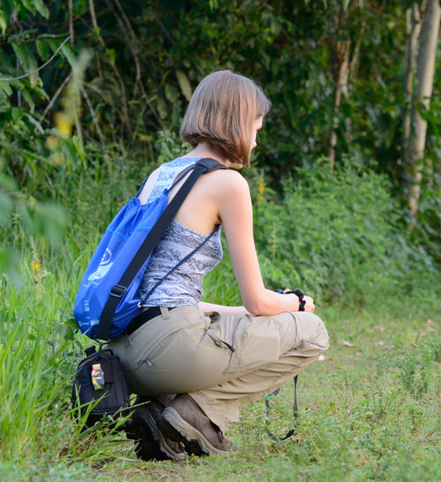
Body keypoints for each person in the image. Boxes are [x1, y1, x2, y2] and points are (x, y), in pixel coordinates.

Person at [108, 70, 329, 461]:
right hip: (170, 351)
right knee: (312, 332)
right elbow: (259, 301)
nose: (257, 140)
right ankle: (196, 412)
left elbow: (164, 295)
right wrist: (295, 303)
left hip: (124, 353)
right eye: (256, 128)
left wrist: (245, 313)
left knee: (242, 322)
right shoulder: (228, 184)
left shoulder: (163, 174)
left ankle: (160, 411)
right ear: (237, 123)